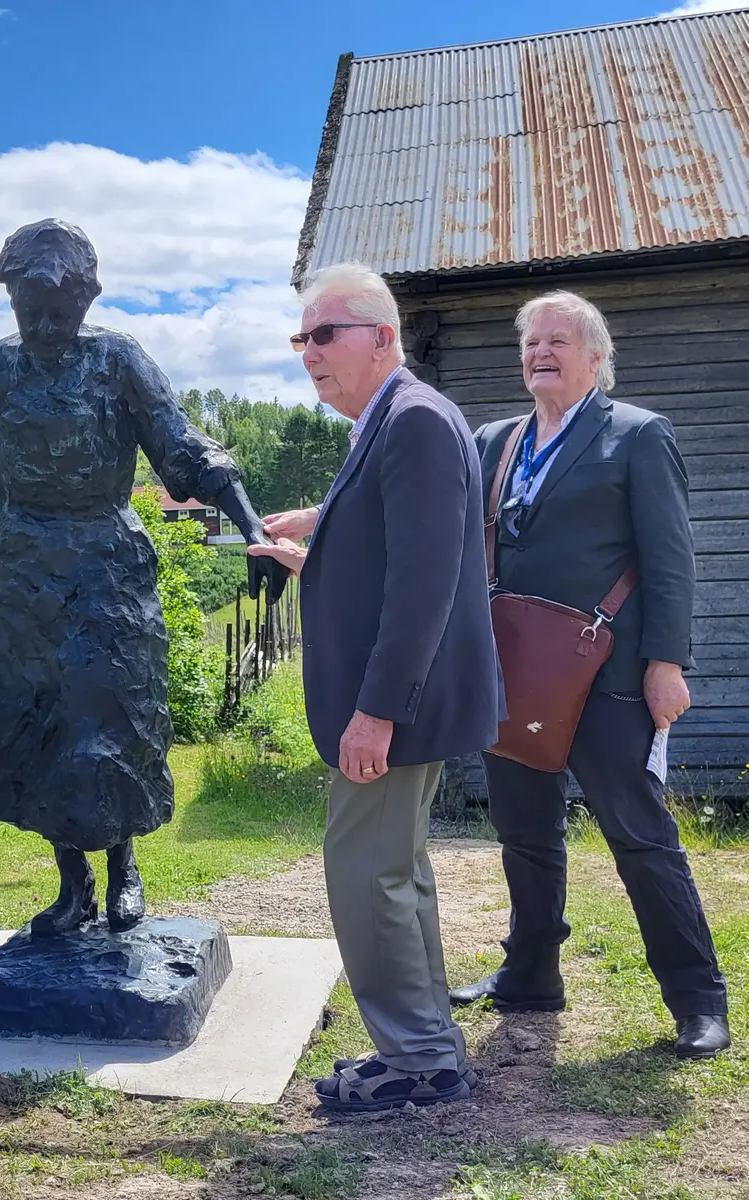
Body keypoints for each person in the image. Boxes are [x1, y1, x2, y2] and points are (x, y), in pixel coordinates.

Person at [0, 218, 286, 938]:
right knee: (34, 727)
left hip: (105, 571)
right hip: (16, 576)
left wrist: (252, 528)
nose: (43, 325)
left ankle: (124, 866)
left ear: (87, 301)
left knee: (112, 717)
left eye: (58, 312)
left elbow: (183, 453)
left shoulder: (119, 362)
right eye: (29, 310)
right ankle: (72, 883)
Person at [449, 291, 730, 1060]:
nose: (540, 350)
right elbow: (435, 520)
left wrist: (667, 664)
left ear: (597, 357)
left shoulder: (638, 435)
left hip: (610, 678)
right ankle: (531, 975)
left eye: (559, 340)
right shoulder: (494, 441)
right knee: (524, 835)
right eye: (530, 340)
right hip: (517, 673)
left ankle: (698, 1000)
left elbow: (671, 558)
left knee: (641, 838)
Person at [249, 261, 501, 1112]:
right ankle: (425, 1040)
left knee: (367, 873)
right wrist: (312, 536)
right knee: (395, 870)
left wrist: (375, 712)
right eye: (301, 338)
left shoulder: (416, 419)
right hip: (403, 701)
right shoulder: (391, 420)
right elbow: (386, 538)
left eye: (326, 334)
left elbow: (424, 582)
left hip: (396, 705)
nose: (309, 353)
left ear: (383, 337)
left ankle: (420, 1060)